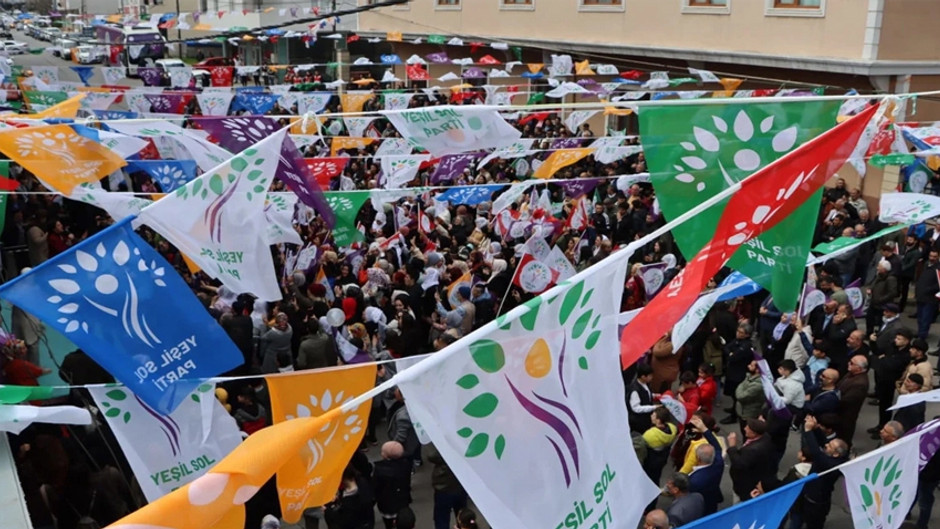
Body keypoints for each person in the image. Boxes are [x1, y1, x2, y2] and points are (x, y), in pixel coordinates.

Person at [795, 415, 849, 529]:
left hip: (815, 502)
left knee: (813, 525)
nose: (826, 445)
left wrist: (808, 430)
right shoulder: (838, 458)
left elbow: (815, 452)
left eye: (829, 446)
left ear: (836, 454)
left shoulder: (828, 464)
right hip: (813, 495)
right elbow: (824, 441)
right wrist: (816, 429)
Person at [727, 418, 776, 504]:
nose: (745, 428)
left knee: (740, 504)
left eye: (748, 428)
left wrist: (732, 447)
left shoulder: (753, 450)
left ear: (754, 433)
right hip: (757, 475)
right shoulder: (765, 437)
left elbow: (739, 464)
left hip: (745, 485)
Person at [686, 415, 724, 515]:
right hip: (712, 499)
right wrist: (704, 430)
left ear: (698, 458)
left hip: (699, 507)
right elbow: (717, 447)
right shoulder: (718, 464)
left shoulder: (695, 480)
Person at [427, 443, 467, 529]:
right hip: (461, 485)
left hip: (444, 487)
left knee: (442, 518)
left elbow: (431, 456)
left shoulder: (444, 446)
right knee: (463, 517)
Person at [372, 441, 412, 529]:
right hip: (402, 501)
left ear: (386, 456)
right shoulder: (406, 464)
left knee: (389, 524)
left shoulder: (380, 471)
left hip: (387, 504)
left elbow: (376, 487)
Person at [722, 323, 755, 424]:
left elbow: (733, 357)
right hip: (732, 371)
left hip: (739, 373)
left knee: (737, 395)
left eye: (741, 333)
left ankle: (734, 416)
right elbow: (726, 348)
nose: (738, 334)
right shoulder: (737, 340)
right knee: (732, 394)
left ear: (747, 335)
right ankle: (733, 408)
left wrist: (731, 354)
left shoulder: (746, 346)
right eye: (738, 331)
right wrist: (730, 353)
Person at [836, 355, 869, 445]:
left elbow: (846, 401)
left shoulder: (860, 384)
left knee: (843, 438)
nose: (848, 364)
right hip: (840, 412)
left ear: (859, 368)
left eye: (852, 363)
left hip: (846, 415)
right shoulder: (851, 374)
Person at [628, 363, 658, 434]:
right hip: (639, 421)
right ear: (643, 377)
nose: (652, 377)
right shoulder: (635, 391)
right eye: (650, 376)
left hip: (646, 417)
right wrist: (653, 407)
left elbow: (646, 393)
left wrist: (654, 396)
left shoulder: (645, 384)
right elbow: (636, 408)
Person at [916, 446, 940, 529]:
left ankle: (922, 525)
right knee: (919, 496)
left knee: (925, 501)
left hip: (928, 475)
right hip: (927, 473)